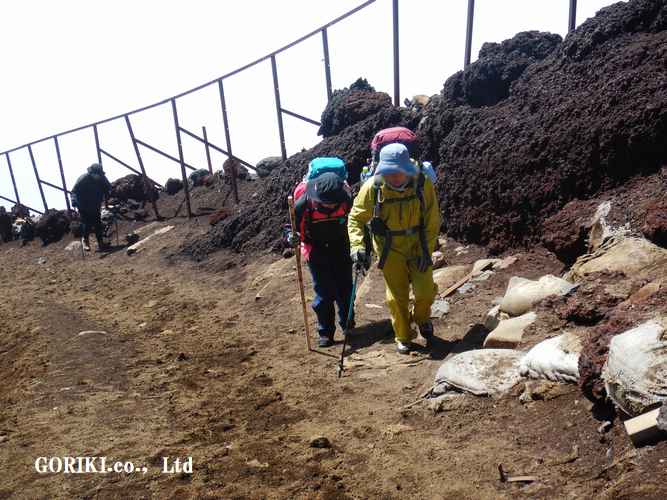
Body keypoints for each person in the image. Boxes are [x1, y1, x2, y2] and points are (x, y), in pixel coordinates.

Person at [348, 143, 441, 354]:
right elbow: (355, 218)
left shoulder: (422, 183)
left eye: (398, 172)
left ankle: (422, 318)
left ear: (407, 168)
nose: (394, 177)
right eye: (389, 172)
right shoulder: (373, 187)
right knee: (396, 297)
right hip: (389, 248)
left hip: (418, 244)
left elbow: (432, 219)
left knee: (425, 291)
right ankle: (403, 335)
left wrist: (426, 250)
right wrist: (357, 245)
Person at [289, 158, 354, 348]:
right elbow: (292, 227)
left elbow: (356, 222)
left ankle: (348, 324)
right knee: (324, 292)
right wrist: (291, 237)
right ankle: (325, 332)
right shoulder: (303, 204)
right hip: (315, 249)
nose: (329, 206)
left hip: (342, 245)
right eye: (326, 203)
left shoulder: (346, 200)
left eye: (333, 203)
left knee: (345, 288)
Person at [71, 163, 112, 251]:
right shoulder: (83, 178)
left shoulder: (102, 178)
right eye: (96, 174)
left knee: (97, 223)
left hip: (95, 204)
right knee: (87, 223)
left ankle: (101, 244)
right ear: (91, 173)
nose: (97, 176)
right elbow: (74, 191)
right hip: (83, 204)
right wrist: (73, 201)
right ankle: (85, 240)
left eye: (99, 174)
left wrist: (108, 193)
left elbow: (108, 187)